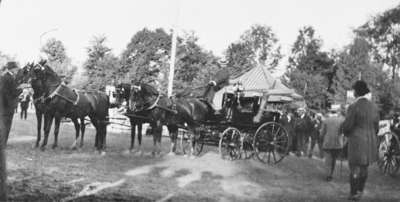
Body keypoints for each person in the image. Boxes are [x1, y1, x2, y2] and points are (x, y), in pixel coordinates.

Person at [342, 80, 379, 201]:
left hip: (357, 141)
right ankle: (360, 191)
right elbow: (376, 127)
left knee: (354, 168)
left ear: (356, 92)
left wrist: (345, 133)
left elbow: (348, 125)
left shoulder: (353, 106)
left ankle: (353, 193)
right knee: (364, 168)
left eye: (354, 90)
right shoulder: (374, 107)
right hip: (370, 143)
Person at [0, 61, 22, 201]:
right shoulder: (7, 78)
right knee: (5, 128)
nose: (16, 71)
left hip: (4, 108)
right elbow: (9, 93)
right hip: (5, 109)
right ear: (12, 69)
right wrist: (21, 89)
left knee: (5, 128)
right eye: (16, 69)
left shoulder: (5, 77)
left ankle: (4, 144)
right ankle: (3, 144)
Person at [321, 108, 345, 181]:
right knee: (334, 160)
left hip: (328, 142)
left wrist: (322, 137)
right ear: (337, 112)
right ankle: (331, 174)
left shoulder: (326, 120)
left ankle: (328, 175)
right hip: (337, 143)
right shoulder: (342, 120)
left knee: (328, 160)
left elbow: (322, 133)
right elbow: (343, 132)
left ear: (330, 112)